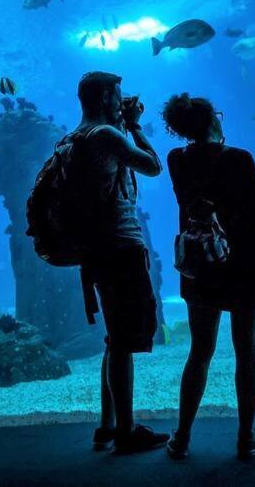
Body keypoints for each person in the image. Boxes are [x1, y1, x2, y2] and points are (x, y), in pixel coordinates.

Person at [160, 94, 255, 461]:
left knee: (199, 351)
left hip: (199, 266)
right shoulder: (238, 158)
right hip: (243, 266)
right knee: (246, 348)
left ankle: (181, 437)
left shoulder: (176, 160)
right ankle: (246, 437)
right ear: (213, 120)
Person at [68, 71, 169, 454]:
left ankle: (107, 425)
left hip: (97, 248)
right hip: (118, 246)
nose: (121, 101)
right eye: (118, 95)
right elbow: (152, 166)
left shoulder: (75, 137)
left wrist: (123, 122)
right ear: (107, 97)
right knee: (126, 339)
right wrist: (136, 126)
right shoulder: (106, 136)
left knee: (115, 339)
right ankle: (126, 431)